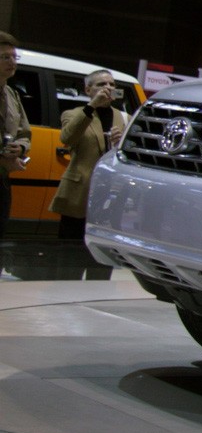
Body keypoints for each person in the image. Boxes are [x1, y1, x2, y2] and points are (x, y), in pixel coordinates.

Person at [48, 68, 124, 279]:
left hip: (108, 197)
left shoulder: (121, 117)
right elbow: (67, 138)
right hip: (79, 194)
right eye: (101, 85)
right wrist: (92, 107)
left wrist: (120, 144)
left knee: (100, 263)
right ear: (88, 89)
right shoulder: (75, 114)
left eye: (112, 84)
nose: (108, 88)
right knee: (69, 260)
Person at [0, 31, 33, 239]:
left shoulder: (12, 94)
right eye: (5, 57)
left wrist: (20, 148)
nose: (12, 62)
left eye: (14, 57)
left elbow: (24, 131)